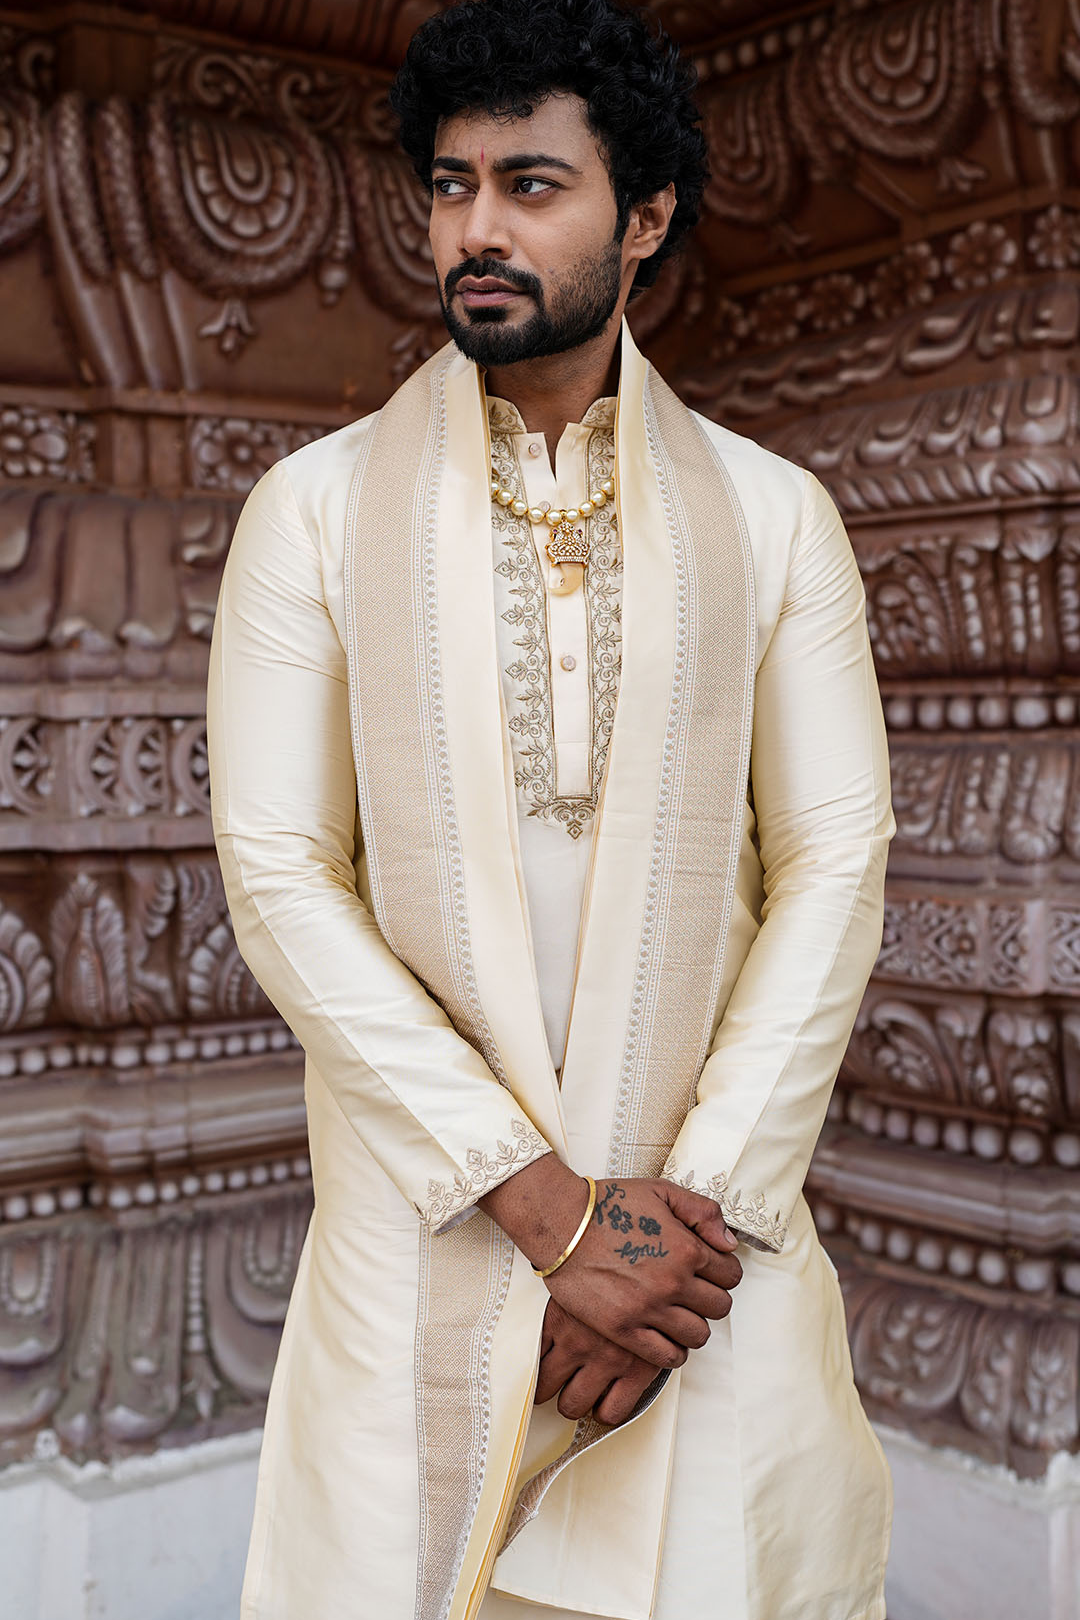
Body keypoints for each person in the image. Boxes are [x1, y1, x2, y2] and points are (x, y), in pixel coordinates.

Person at [206, 1, 895, 1616]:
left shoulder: (779, 520)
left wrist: (671, 1234)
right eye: (451, 187)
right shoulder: (308, 516)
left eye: (533, 184)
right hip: (430, 1226)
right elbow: (281, 871)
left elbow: (834, 860)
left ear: (646, 217)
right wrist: (543, 1208)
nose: (476, 232)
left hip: (697, 1266)